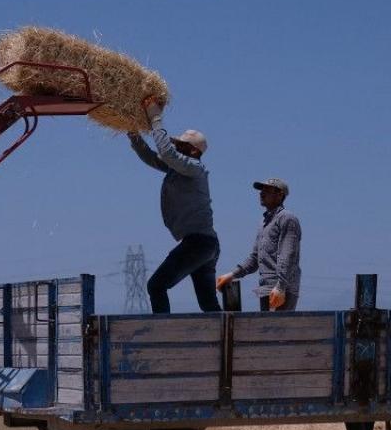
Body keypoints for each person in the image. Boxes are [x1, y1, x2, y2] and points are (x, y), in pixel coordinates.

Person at [127, 98, 221, 314]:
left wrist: (154, 116)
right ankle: (227, 345)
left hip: (199, 243)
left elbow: (166, 152)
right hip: (205, 243)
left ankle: (163, 337)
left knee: (156, 286)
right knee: (208, 304)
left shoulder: (193, 167)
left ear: (194, 152)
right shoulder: (179, 169)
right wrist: (131, 131)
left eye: (181, 145)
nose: (176, 147)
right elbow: (151, 157)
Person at [216, 178, 301, 311]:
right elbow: (255, 258)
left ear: (280, 195)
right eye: (261, 190)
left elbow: (288, 254)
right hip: (266, 289)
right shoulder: (264, 222)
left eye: (267, 190)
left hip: (281, 288)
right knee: (267, 330)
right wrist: (232, 275)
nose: (261, 193)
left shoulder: (287, 218)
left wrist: (281, 287)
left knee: (276, 331)